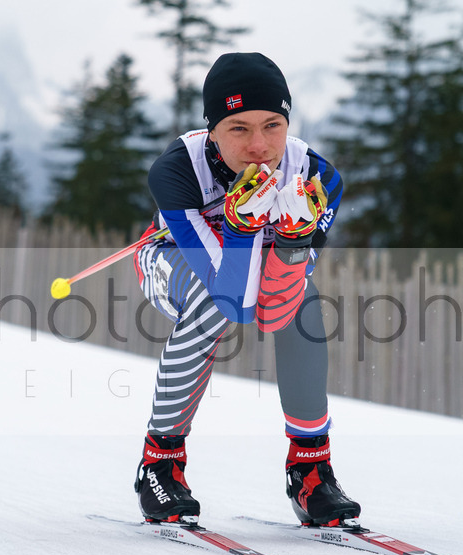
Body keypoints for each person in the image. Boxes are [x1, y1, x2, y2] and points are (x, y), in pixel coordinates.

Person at [132, 52, 360, 527]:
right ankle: (161, 463)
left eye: (272, 125)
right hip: (172, 260)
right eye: (238, 128)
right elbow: (232, 301)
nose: (259, 145)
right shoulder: (177, 172)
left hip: (258, 267)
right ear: (212, 130)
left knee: (303, 305)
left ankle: (310, 469)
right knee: (208, 306)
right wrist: (239, 227)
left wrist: (295, 241)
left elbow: (274, 308)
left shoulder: (319, 177)